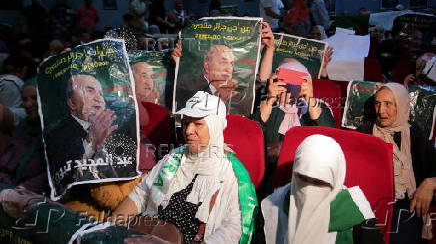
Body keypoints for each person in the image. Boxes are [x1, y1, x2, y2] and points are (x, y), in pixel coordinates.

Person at [112, 91, 258, 243]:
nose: (188, 131)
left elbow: (234, 228)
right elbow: (142, 193)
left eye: (198, 124)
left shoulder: (232, 174)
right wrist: (108, 228)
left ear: (214, 127)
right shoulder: (174, 158)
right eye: (186, 123)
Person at [261, 134, 385, 244]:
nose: (308, 189)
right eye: (302, 178)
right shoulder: (275, 204)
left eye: (318, 182)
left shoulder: (356, 212)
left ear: (334, 180)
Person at [356, 83, 436, 244]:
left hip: (405, 203)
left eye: (388, 104)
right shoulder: (365, 132)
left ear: (401, 105)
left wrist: (431, 182)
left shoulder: (414, 135)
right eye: (378, 104)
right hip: (368, 201)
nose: (381, 111)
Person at [252, 60, 335, 193]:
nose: (288, 90)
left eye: (294, 84)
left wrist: (310, 99)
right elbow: (253, 131)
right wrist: (270, 99)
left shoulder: (318, 107)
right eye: (283, 83)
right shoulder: (269, 105)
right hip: (269, 175)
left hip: (306, 175)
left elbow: (329, 135)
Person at [45, 74, 121, 188]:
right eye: (89, 91)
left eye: (100, 94)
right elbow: (67, 179)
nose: (98, 98)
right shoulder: (55, 134)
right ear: (72, 103)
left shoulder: (114, 129)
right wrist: (91, 143)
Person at [0, 78, 48, 194]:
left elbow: (53, 173)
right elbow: (6, 165)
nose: (28, 104)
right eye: (25, 100)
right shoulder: (23, 128)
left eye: (34, 98)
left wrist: (23, 189)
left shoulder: (57, 129)